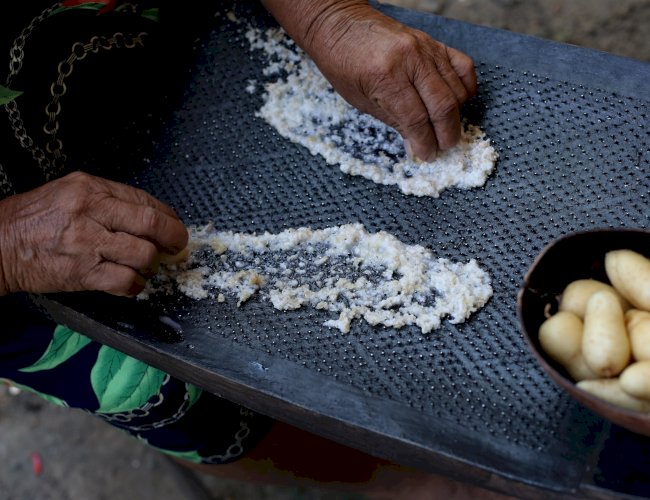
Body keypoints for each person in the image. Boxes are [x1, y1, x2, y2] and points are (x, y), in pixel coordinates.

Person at [0, 1, 502, 497]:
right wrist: (11, 243)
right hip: (21, 254)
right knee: (171, 385)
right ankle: (406, 482)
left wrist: (327, 17)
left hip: (154, 35)